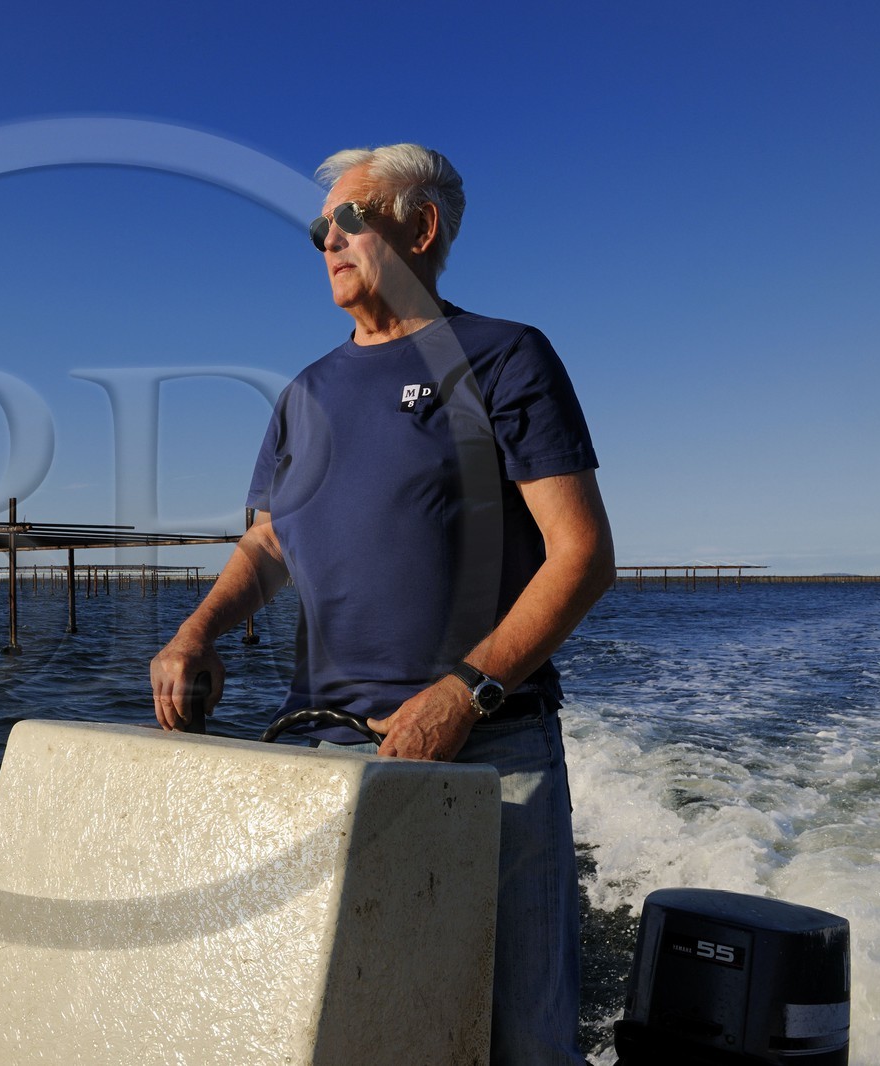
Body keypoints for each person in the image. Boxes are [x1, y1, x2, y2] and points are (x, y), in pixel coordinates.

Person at [149, 143, 614, 1065]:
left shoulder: (505, 357)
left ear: (422, 225)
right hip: (322, 750)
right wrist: (196, 631)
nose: (326, 239)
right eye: (320, 228)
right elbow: (269, 541)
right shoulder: (305, 393)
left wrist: (462, 693)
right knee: (342, 1027)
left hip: (491, 746)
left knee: (523, 1037)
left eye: (349, 220)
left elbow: (583, 555)